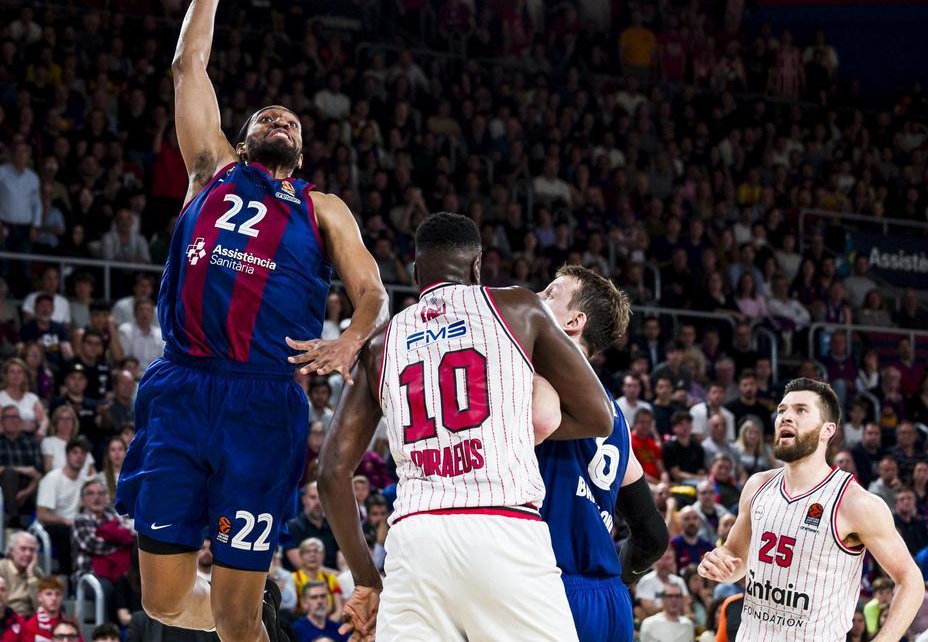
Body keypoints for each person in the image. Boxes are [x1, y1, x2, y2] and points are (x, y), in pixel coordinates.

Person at [116, 0, 388, 642]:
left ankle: (253, 618)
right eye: (270, 117)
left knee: (235, 617)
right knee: (163, 602)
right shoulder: (209, 171)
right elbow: (189, 69)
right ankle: (259, 617)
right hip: (182, 385)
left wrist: (351, 338)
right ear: (243, 139)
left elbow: (371, 292)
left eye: (293, 122)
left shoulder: (323, 207)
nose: (283, 121)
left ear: (300, 152)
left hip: (264, 400)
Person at [318, 214, 616, 641]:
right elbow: (598, 415)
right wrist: (510, 423)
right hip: (502, 527)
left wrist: (367, 578)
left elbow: (331, 473)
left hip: (415, 541)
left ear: (416, 273)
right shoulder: (516, 307)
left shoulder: (382, 341)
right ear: (477, 267)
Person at [698, 378, 925, 640]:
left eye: (801, 410)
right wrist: (720, 561)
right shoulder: (757, 486)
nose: (785, 417)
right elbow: (737, 559)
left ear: (827, 430)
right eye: (782, 410)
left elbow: (911, 581)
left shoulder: (855, 503)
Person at [521, 265, 668, 642]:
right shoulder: (616, 417)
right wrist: (617, 578)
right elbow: (652, 535)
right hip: (610, 602)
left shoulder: (542, 384)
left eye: (551, 293)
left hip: (548, 590)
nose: (536, 297)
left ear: (575, 320)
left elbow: (540, 421)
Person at [0, 405, 44, 527]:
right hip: (2, 487)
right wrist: (22, 469)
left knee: (44, 482)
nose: (12, 420)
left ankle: (40, 522)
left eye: (15, 417)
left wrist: (27, 491)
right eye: (8, 417)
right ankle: (13, 519)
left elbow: (38, 472)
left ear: (21, 421)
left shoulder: (31, 442)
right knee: (9, 474)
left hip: (29, 486)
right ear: (1, 422)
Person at [36, 439, 87, 573]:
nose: (79, 457)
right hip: (49, 527)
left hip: (75, 525)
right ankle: (67, 577)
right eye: (75, 452)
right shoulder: (52, 479)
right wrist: (64, 520)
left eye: (82, 453)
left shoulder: (84, 481)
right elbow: (41, 515)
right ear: (67, 455)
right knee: (67, 533)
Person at [0, 532, 42, 618]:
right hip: (4, 618)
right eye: (23, 549)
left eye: (32, 550)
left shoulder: (36, 572)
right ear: (11, 551)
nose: (28, 554)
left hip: (30, 619)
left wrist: (31, 576)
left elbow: (40, 606)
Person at [20, 576, 80, 641]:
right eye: (49, 594)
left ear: (62, 597)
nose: (54, 598)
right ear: (39, 597)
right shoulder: (31, 626)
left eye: (57, 594)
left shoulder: (71, 622)